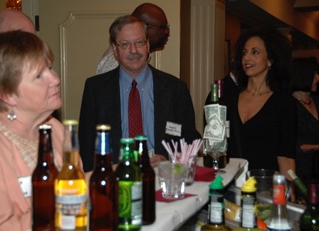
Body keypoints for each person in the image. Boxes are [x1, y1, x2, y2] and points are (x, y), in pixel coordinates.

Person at [79, 15, 201, 172]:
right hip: (115, 178)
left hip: (161, 177)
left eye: (139, 42)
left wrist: (169, 159)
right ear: (115, 50)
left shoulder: (175, 89)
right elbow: (86, 146)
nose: (134, 50)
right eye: (125, 44)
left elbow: (190, 140)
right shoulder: (95, 89)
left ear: (148, 45)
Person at [0, 30, 63, 230]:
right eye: (39, 75)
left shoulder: (55, 130)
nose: (55, 79)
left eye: (50, 67)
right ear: (7, 95)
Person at [227, 28, 296, 182]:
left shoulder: (284, 103)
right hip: (229, 185)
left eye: (255, 52)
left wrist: (289, 187)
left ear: (270, 60)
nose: (247, 58)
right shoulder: (229, 99)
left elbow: (285, 157)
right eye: (244, 53)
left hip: (264, 188)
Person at [96, 3, 170, 74]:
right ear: (145, 27)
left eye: (166, 26)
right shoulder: (114, 61)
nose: (166, 31)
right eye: (161, 27)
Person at [292, 57, 319, 187]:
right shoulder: (289, 105)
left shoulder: (316, 101)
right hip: (300, 173)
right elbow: (296, 146)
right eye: (314, 75)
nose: (318, 79)